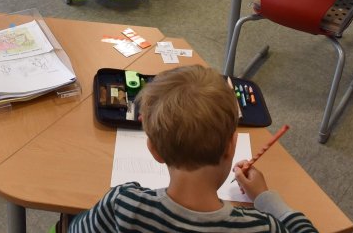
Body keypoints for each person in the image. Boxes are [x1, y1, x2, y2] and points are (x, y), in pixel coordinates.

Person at [70, 65, 317, 233]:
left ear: (153, 149)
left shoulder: (124, 203)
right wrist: (265, 198)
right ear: (231, 146)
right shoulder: (260, 227)